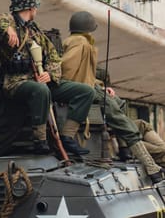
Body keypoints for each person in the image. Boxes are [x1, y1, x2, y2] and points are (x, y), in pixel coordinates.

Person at [61, 11, 165, 183]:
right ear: (87, 30)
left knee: (135, 121)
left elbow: (84, 73)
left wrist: (101, 86)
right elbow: (69, 71)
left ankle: (127, 149)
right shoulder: (80, 43)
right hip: (86, 94)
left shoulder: (79, 43)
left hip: (90, 91)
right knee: (124, 122)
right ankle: (150, 165)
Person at [0, 0, 95, 156]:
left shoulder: (35, 30)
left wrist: (50, 74)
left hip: (41, 78)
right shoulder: (8, 21)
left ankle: (67, 137)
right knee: (40, 90)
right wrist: (8, 30)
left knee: (85, 92)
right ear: (31, 8)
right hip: (16, 81)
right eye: (35, 7)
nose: (36, 11)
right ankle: (39, 140)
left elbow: (54, 57)